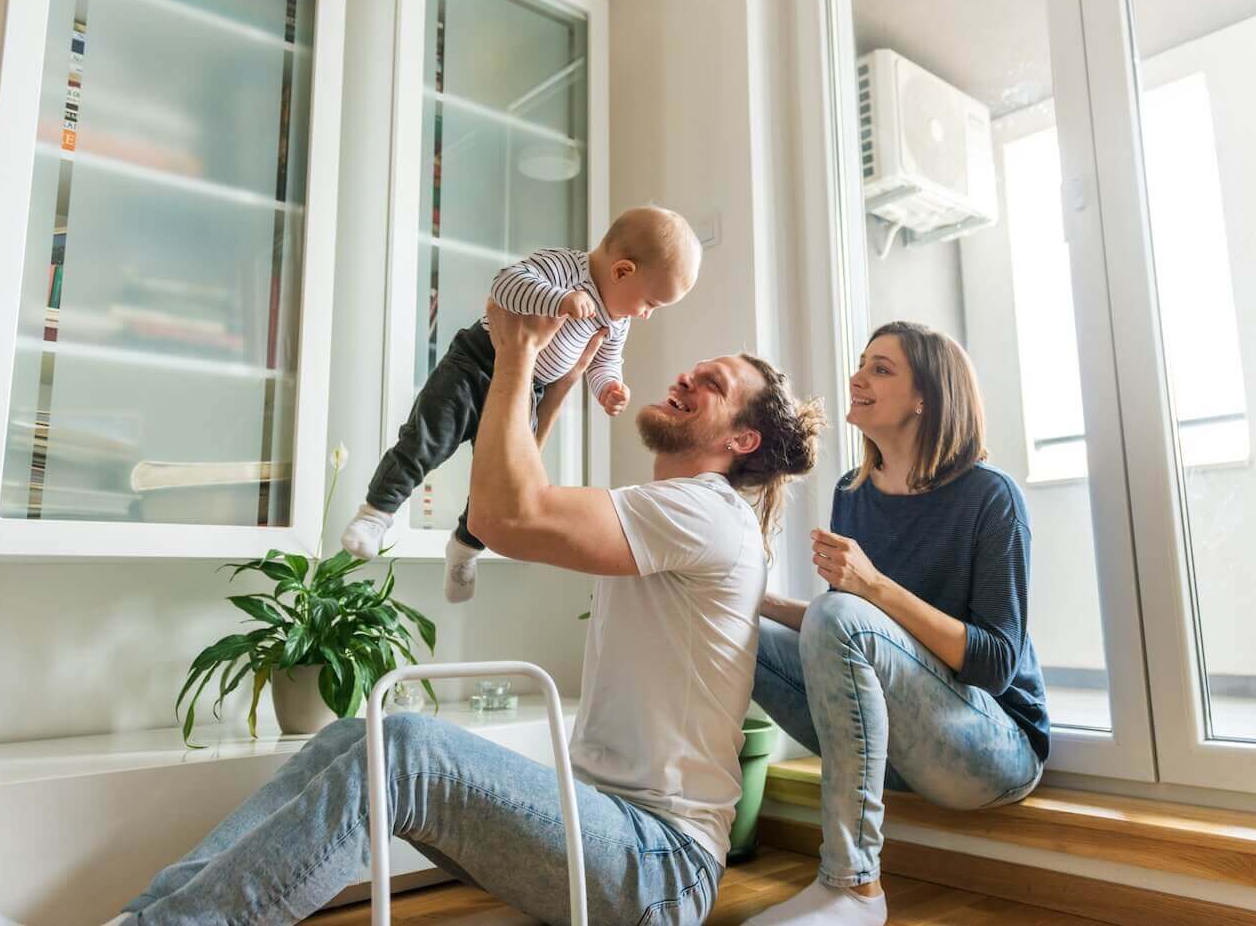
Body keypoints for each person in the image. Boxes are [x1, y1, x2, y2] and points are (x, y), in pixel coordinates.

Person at [101, 303, 824, 925]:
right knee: (358, 734)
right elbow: (500, 504)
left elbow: (508, 515)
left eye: (713, 383)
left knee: (405, 750)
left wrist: (517, 353)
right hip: (605, 829)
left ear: (741, 441)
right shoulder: (676, 510)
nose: (688, 376)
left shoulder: (706, 510)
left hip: (659, 864)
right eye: (696, 369)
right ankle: (145, 916)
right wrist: (556, 380)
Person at [744, 322, 1049, 926]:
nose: (857, 377)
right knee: (741, 633)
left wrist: (875, 585)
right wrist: (756, 600)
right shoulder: (853, 492)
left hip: (993, 748)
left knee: (839, 610)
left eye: (881, 368)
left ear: (926, 397)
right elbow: (840, 634)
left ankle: (854, 888)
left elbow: (995, 664)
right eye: (861, 363)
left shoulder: (991, 497)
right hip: (896, 746)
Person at [341, 206, 704, 604]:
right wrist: (560, 300)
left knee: (502, 482)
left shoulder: (618, 320)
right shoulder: (564, 268)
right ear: (622, 271)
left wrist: (608, 387)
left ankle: (465, 548)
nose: (647, 314)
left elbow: (604, 361)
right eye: (650, 302)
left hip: (529, 390)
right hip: (476, 364)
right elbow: (505, 285)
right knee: (428, 439)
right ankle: (377, 512)